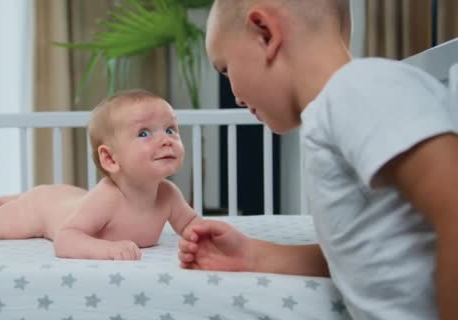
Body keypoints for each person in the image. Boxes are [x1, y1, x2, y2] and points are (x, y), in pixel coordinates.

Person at [178, 0, 458, 319]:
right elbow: (360, 256)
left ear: (266, 34)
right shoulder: (334, 110)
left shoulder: (355, 89)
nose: (236, 95)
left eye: (226, 68)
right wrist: (253, 256)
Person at [0, 89, 201, 260]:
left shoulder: (168, 194)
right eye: (144, 133)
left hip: (69, 197)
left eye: (170, 129)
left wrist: (207, 237)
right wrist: (106, 250)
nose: (167, 140)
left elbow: (190, 224)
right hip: (42, 209)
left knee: (44, 196)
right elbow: (65, 238)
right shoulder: (107, 198)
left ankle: (10, 199)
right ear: (110, 158)